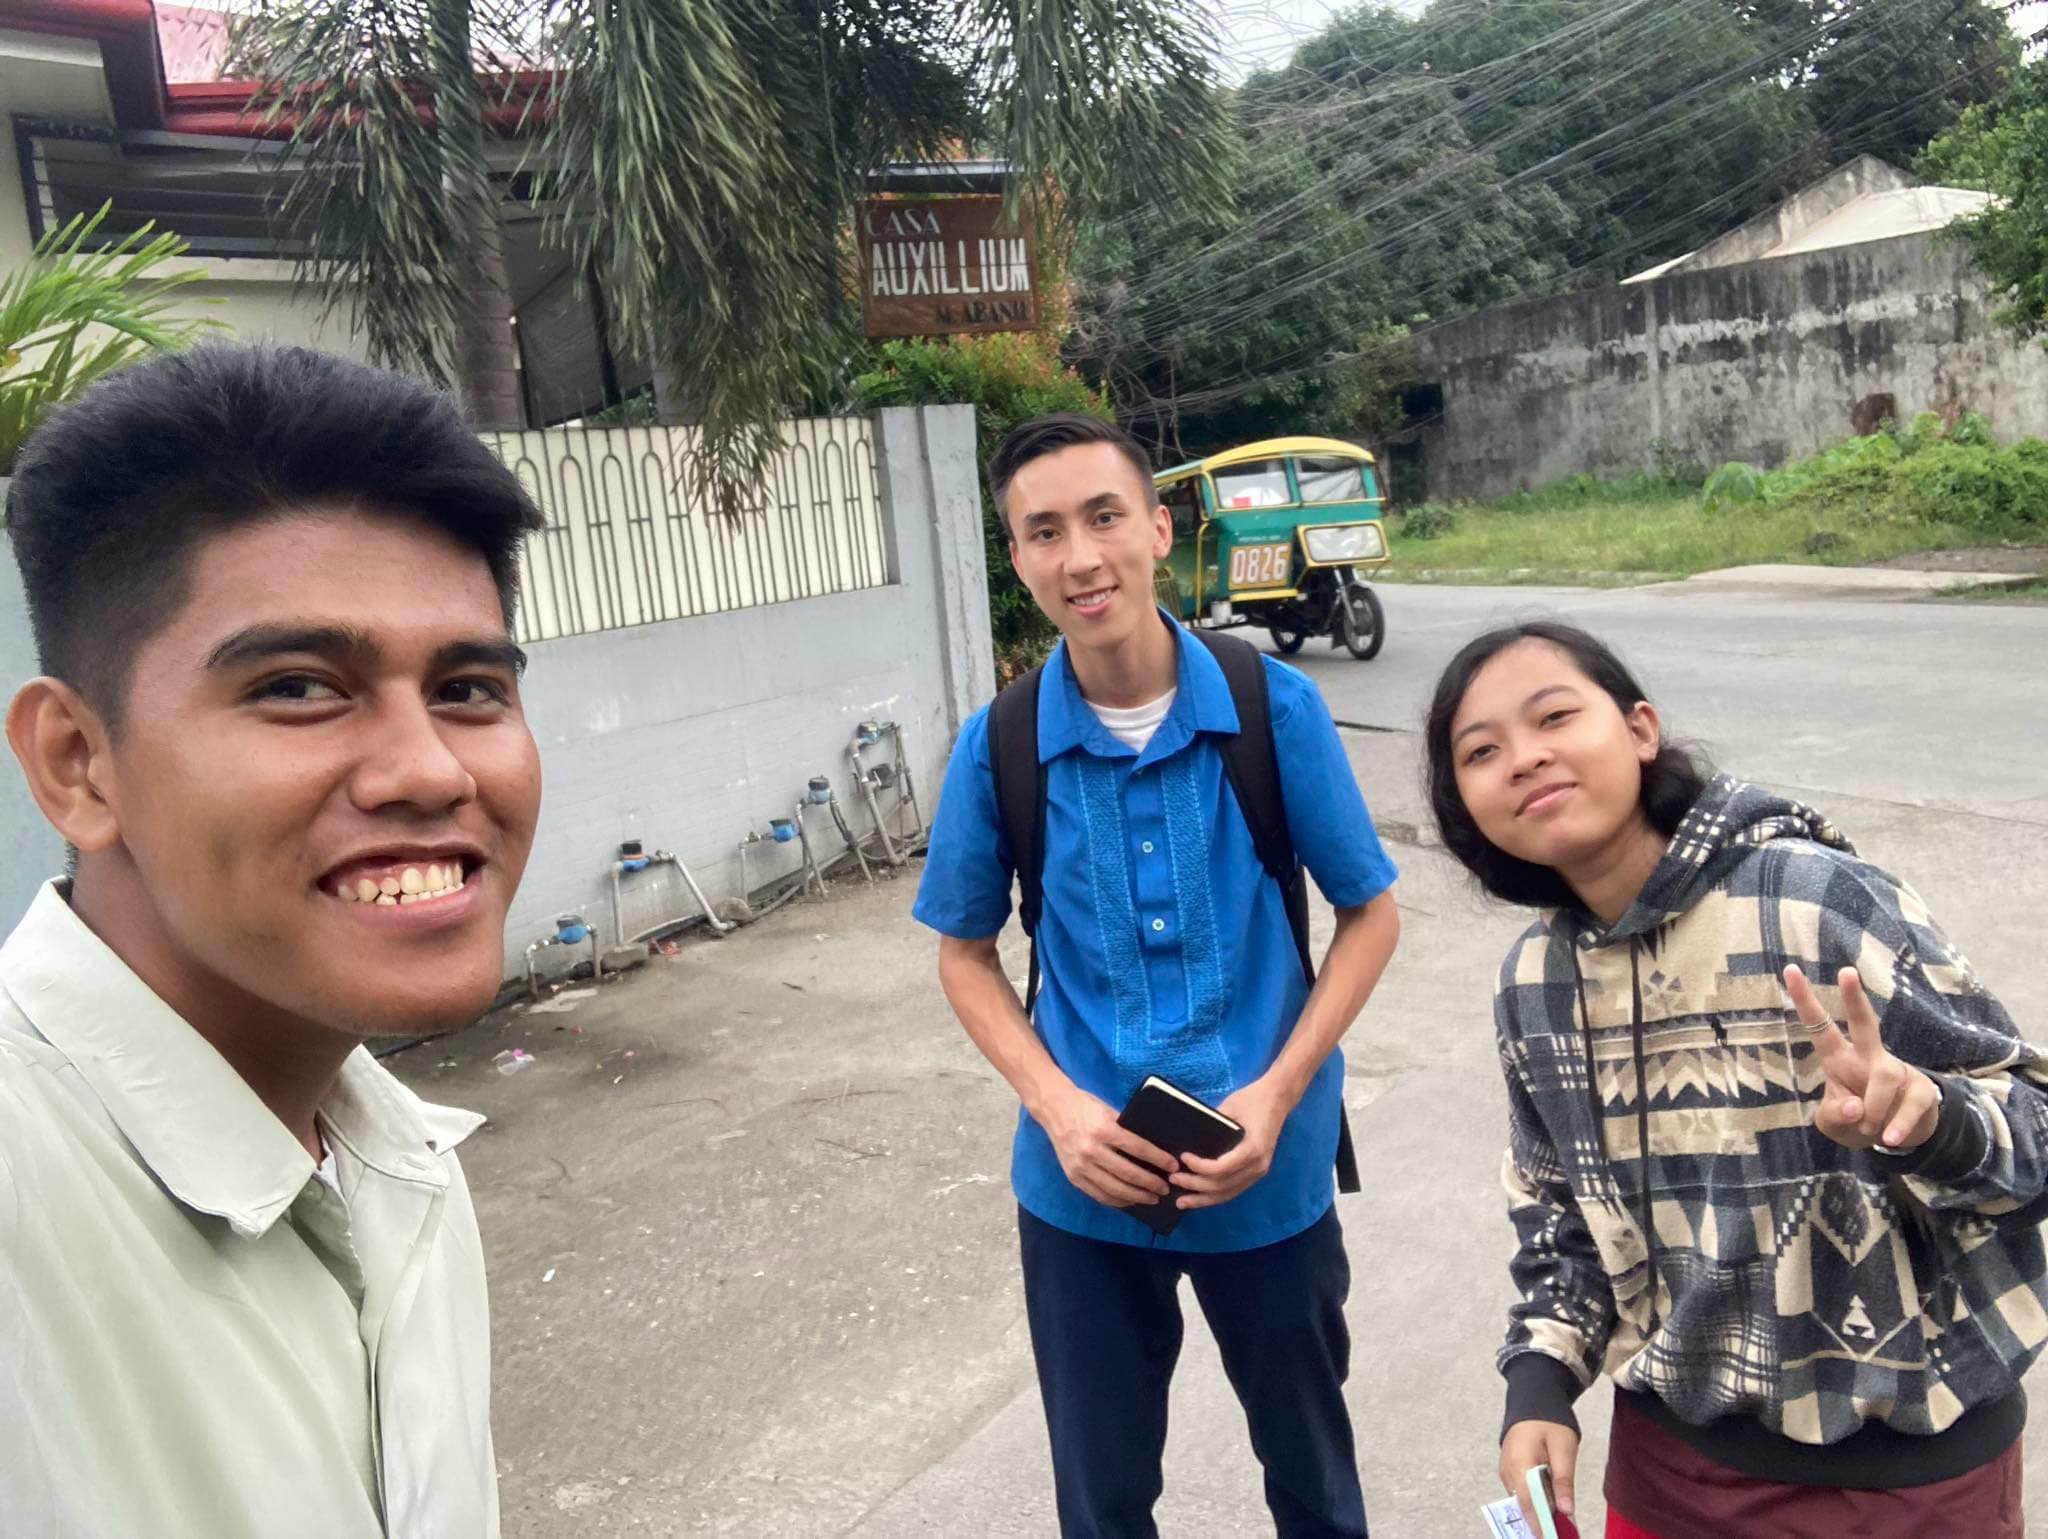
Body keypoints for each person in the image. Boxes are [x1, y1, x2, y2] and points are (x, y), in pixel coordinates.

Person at [0, 345, 546, 1537]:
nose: (430, 771)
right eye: (298, 688)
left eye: (467, 688)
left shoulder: (400, 1163)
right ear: (77, 764)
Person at [1425, 620, 2045, 1539]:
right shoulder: (1535, 984)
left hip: (1909, 1479)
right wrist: (1539, 1383)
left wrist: (1933, 1120)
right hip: (1671, 1474)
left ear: (1640, 729)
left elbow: (2036, 1131)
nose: (1524, 758)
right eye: (1481, 751)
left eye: (1554, 716)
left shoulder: (1815, 901)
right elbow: (1563, 1218)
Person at [914, 412, 1401, 1538]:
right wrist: (1059, 1109)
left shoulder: (1271, 709)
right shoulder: (1000, 743)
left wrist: (1278, 1094)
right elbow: (963, 954)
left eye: (1103, 518)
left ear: (1157, 529)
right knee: (1102, 1503)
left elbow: (1369, 913)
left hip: (1264, 1175)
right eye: (1045, 532)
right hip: (1081, 1191)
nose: (1080, 556)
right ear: (1018, 559)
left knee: (1315, 1488)